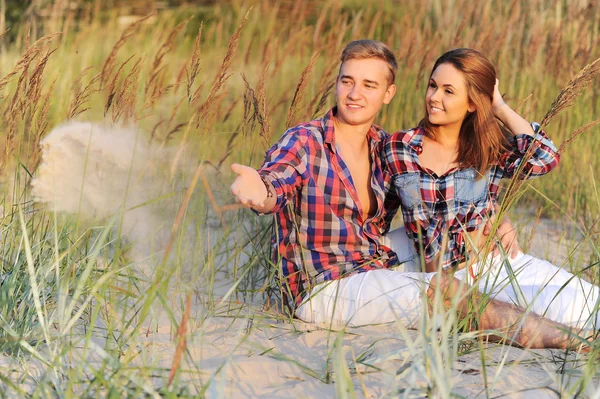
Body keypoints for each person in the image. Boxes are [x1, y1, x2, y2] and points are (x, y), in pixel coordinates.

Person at [231, 40, 587, 350]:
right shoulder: (306, 141)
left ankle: (552, 316)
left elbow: (440, 200)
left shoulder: (382, 147)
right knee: (445, 290)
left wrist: (494, 215)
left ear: (388, 94)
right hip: (325, 285)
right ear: (337, 84)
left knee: (575, 301)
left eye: (369, 84)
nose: (355, 94)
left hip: (375, 264)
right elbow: (275, 183)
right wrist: (258, 190)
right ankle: (573, 343)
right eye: (347, 81)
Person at [383, 48, 599, 333]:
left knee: (592, 303)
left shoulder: (489, 148)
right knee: (572, 312)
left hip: (498, 265)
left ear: (472, 103)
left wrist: (499, 107)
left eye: (449, 91)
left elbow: (545, 158)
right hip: (450, 282)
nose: (434, 97)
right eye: (433, 86)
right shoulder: (400, 148)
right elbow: (379, 218)